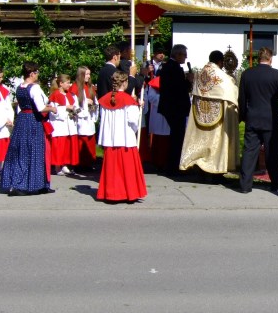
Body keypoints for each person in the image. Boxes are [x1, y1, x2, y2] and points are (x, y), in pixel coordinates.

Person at [238, 47, 278, 194]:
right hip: (271, 119)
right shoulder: (277, 75)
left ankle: (245, 185)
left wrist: (242, 115)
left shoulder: (247, 74)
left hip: (253, 117)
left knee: (249, 152)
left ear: (257, 58)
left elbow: (242, 98)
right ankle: (276, 183)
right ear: (271, 58)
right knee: (273, 153)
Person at [0, 62, 56, 196]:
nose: (38, 75)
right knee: (34, 151)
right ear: (31, 74)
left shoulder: (20, 87)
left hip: (22, 120)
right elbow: (41, 107)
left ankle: (37, 183)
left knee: (20, 150)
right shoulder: (34, 88)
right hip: (33, 121)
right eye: (36, 73)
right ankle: (25, 184)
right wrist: (52, 108)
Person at [180, 50, 240, 175]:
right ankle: (214, 168)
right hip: (218, 115)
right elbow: (231, 90)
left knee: (201, 139)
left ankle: (198, 165)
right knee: (215, 141)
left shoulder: (200, 73)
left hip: (200, 111)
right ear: (220, 61)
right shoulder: (222, 76)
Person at [97, 71, 147, 203]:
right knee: (127, 168)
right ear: (124, 83)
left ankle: (111, 194)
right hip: (125, 138)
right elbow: (133, 120)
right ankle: (128, 193)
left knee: (112, 169)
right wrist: (138, 107)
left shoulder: (105, 99)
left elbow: (102, 119)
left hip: (111, 139)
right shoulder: (127, 99)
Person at [157, 44, 193, 176]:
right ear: (177, 55)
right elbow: (179, 89)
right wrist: (188, 81)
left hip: (171, 107)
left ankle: (173, 164)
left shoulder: (169, 67)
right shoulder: (174, 68)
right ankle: (174, 165)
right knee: (177, 137)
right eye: (184, 54)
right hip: (175, 108)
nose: (186, 57)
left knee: (176, 136)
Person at [48, 74, 79, 175]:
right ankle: (57, 167)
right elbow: (54, 111)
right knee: (59, 146)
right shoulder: (55, 95)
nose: (69, 85)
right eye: (67, 83)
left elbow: (74, 105)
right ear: (61, 84)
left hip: (68, 124)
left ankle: (65, 165)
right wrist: (66, 108)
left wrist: (75, 111)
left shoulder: (69, 95)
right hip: (59, 125)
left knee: (66, 146)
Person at [69, 66, 97, 171]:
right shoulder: (75, 87)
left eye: (89, 74)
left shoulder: (90, 87)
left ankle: (88, 163)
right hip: (81, 119)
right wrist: (86, 103)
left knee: (89, 140)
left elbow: (95, 100)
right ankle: (79, 164)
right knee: (81, 141)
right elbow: (74, 103)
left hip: (89, 117)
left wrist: (93, 104)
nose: (89, 77)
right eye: (86, 74)